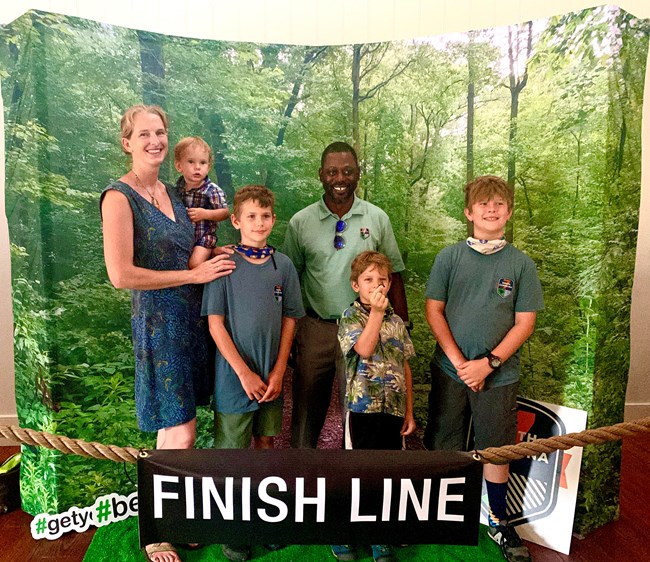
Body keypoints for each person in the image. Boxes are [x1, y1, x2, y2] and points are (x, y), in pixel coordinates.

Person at [101, 104, 236, 562]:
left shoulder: (173, 194)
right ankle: (154, 532)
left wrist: (224, 256)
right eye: (144, 134)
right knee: (179, 430)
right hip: (159, 325)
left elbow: (193, 249)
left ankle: (168, 520)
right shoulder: (120, 197)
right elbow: (120, 275)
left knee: (175, 431)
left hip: (192, 322)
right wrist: (193, 279)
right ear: (127, 142)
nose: (155, 140)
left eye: (160, 132)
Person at [423, 175, 544, 562]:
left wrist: (488, 364)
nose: (491, 210)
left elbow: (524, 322)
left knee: (496, 448)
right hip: (450, 370)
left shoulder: (520, 264)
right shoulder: (450, 257)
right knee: (444, 443)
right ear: (468, 212)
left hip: (499, 375)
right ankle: (436, 513)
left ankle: (498, 520)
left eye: (499, 204)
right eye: (483, 204)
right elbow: (433, 310)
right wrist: (461, 364)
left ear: (508, 212)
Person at [201, 185, 304, 562]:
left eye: (265, 216)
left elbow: (291, 318)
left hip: (271, 378)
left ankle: (262, 517)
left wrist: (278, 370)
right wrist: (243, 373)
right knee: (232, 453)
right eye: (251, 216)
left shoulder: (284, 266)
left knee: (263, 445)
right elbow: (215, 325)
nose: (259, 223)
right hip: (233, 379)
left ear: (273, 220)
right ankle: (233, 526)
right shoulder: (225, 265)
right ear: (236, 220)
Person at [283, 141, 409, 449]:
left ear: (358, 175)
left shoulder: (377, 218)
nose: (340, 178)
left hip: (368, 328)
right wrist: (287, 338)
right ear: (321, 175)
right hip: (317, 329)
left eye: (348, 171)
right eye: (332, 172)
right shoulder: (302, 222)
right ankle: (303, 477)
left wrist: (404, 325)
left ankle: (351, 482)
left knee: (360, 414)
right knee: (306, 415)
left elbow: (396, 276)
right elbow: (288, 280)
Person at [331, 251, 415, 562]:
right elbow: (364, 348)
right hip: (361, 410)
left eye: (382, 280)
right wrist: (377, 314)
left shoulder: (397, 322)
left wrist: (409, 411)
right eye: (368, 280)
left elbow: (404, 365)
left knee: (387, 474)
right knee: (356, 472)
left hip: (391, 411)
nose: (376, 285)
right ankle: (345, 532)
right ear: (356, 285)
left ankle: (380, 534)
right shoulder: (349, 317)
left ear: (390, 283)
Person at [174, 136, 230, 269]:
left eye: (203, 163)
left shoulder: (212, 190)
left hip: (203, 237)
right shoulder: (177, 189)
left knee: (195, 264)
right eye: (191, 162)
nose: (197, 167)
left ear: (209, 166)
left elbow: (225, 212)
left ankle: (217, 272)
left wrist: (205, 214)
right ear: (179, 166)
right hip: (183, 236)